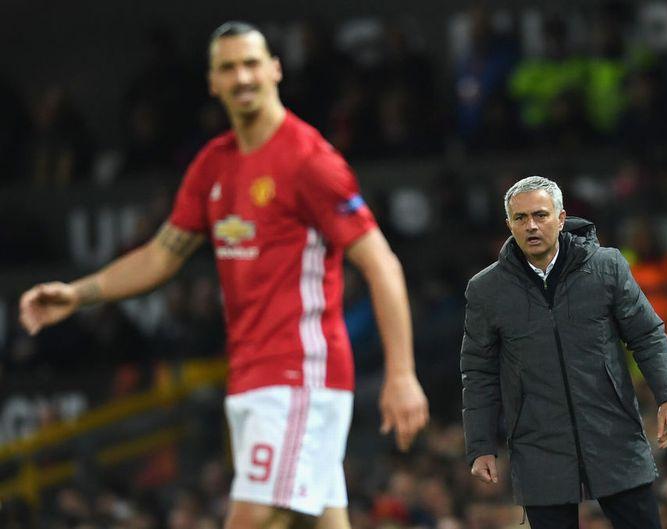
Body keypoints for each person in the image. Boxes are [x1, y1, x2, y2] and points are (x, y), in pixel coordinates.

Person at [19, 21, 429, 529]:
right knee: (318, 521)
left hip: (299, 372)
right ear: (212, 82)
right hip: (251, 374)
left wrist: (401, 374)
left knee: (253, 517)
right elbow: (161, 255)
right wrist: (77, 294)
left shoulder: (308, 160)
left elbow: (382, 263)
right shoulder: (213, 165)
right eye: (229, 68)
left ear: (275, 70)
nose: (242, 77)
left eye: (252, 64)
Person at [460, 176, 667, 529]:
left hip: (612, 433)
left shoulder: (606, 267)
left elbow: (647, 334)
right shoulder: (486, 290)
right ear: (509, 225)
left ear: (561, 218)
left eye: (540, 215)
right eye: (520, 218)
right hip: (538, 445)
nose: (531, 225)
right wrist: (481, 446)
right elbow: (478, 373)